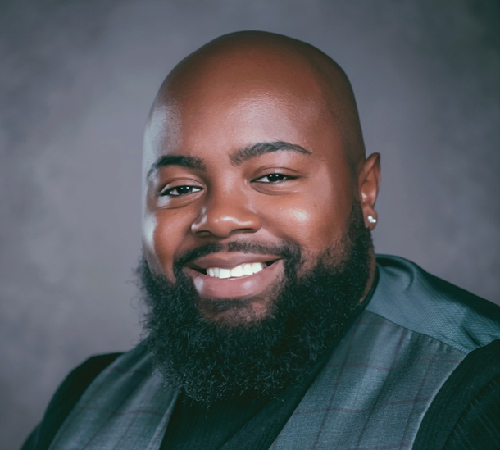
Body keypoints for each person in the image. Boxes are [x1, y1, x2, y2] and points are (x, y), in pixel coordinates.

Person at [22, 31, 499, 450]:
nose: (221, 219)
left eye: (272, 175)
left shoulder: (478, 395)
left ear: (365, 189)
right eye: (180, 188)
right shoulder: (86, 402)